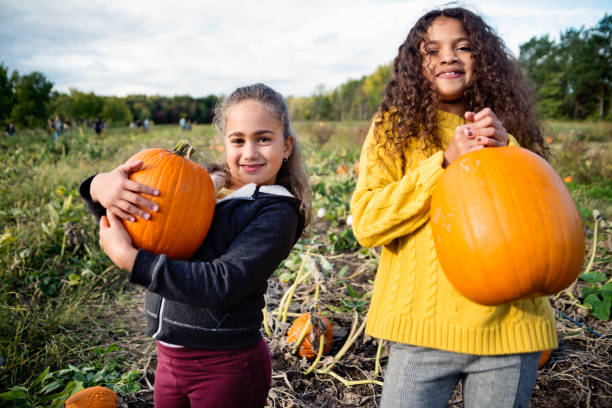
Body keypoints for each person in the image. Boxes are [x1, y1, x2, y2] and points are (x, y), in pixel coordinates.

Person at [350, 7, 552, 408]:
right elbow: (367, 222)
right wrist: (443, 164)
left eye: (463, 47)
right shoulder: (393, 127)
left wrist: (508, 146)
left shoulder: (509, 127)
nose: (448, 56)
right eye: (432, 50)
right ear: (415, 63)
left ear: (485, 58)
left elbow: (546, 219)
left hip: (511, 329)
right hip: (420, 332)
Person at [79, 83, 311, 407]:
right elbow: (140, 221)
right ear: (225, 143)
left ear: (286, 146)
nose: (250, 152)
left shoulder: (276, 212)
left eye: (263, 139)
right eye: (238, 140)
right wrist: (97, 187)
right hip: (168, 359)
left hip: (227, 367)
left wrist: (133, 261)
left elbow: (224, 282)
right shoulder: (201, 186)